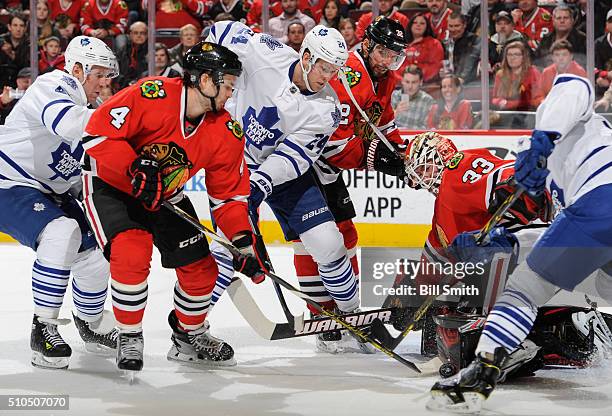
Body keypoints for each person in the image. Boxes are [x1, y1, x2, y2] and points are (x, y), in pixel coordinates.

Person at [427, 74, 612, 413]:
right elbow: (556, 240)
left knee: (525, 288)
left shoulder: (561, 123)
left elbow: (575, 85)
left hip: (603, 199)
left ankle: (481, 373)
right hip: (598, 225)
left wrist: (542, 139)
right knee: (599, 286)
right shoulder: (561, 187)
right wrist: (506, 241)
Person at [81, 41, 267, 372]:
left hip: (166, 195)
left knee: (202, 269)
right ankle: (129, 334)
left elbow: (228, 196)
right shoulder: (151, 94)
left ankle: (188, 335)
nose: (229, 95)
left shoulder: (225, 130)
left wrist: (242, 242)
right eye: (226, 86)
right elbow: (96, 134)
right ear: (205, 80)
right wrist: (134, 167)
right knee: (132, 251)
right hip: (114, 186)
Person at [205, 22, 374, 354]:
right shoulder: (267, 52)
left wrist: (261, 183)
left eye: (335, 70)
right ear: (307, 56)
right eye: (325, 67)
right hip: (234, 163)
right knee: (229, 252)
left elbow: (294, 156)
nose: (329, 77)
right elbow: (221, 31)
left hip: (283, 178)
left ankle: (353, 314)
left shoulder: (327, 108)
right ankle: (190, 327)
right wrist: (212, 69)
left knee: (328, 242)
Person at [0, 36, 119, 370]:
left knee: (96, 259)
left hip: (48, 192)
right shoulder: (54, 84)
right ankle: (44, 328)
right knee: (62, 231)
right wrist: (124, 128)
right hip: (9, 182)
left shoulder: (90, 112)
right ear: (78, 69)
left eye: (108, 75)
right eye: (99, 73)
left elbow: (84, 173)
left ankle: (92, 325)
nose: (105, 82)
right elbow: (68, 124)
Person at [390, 131, 552, 357]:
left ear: (440, 155)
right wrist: (412, 293)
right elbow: (437, 261)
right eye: (417, 174)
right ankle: (524, 335)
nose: (420, 180)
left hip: (536, 244)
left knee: (492, 254)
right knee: (465, 289)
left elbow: (502, 174)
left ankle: (500, 339)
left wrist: (518, 185)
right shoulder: (442, 211)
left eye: (423, 169)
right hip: (523, 260)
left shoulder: (458, 168)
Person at [306, 16, 407, 352]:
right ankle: (322, 314)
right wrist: (376, 159)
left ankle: (348, 311)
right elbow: (332, 144)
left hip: (328, 170)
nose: (387, 60)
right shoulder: (346, 75)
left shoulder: (386, 78)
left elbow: (385, 122)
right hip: (303, 164)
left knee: (347, 234)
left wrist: (401, 154)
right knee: (310, 244)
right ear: (367, 44)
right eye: (382, 51)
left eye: (394, 55)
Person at [491, 40, 543, 111]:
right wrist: (499, 101)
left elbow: (537, 99)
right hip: (505, 113)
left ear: (523, 57)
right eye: (509, 54)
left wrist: (509, 104)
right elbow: (494, 98)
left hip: (527, 113)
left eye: (516, 54)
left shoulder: (533, 72)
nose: (512, 58)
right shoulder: (500, 74)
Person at [403, 12, 444, 84]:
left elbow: (436, 67)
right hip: (403, 85)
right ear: (410, 25)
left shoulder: (434, 44)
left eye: (422, 23)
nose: (418, 25)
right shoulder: (402, 44)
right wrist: (405, 81)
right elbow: (397, 68)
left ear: (427, 26)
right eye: (415, 22)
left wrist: (418, 78)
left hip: (428, 85)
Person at [391, 64, 435, 129]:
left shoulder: (428, 100)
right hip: (395, 135)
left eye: (414, 82)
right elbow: (383, 124)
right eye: (407, 82)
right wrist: (396, 112)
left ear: (420, 82)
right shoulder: (393, 96)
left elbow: (428, 128)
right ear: (402, 81)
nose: (410, 86)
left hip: (416, 136)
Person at [489, 10, 526, 76]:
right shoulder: (492, 41)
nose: (502, 26)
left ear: (512, 26)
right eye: (499, 24)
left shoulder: (519, 41)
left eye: (506, 23)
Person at [115, 21, 148, 88]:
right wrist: (125, 82)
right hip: (125, 86)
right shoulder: (123, 50)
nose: (139, 36)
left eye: (142, 33)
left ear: (147, 35)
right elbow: (115, 70)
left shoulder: (152, 50)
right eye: (136, 33)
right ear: (130, 34)